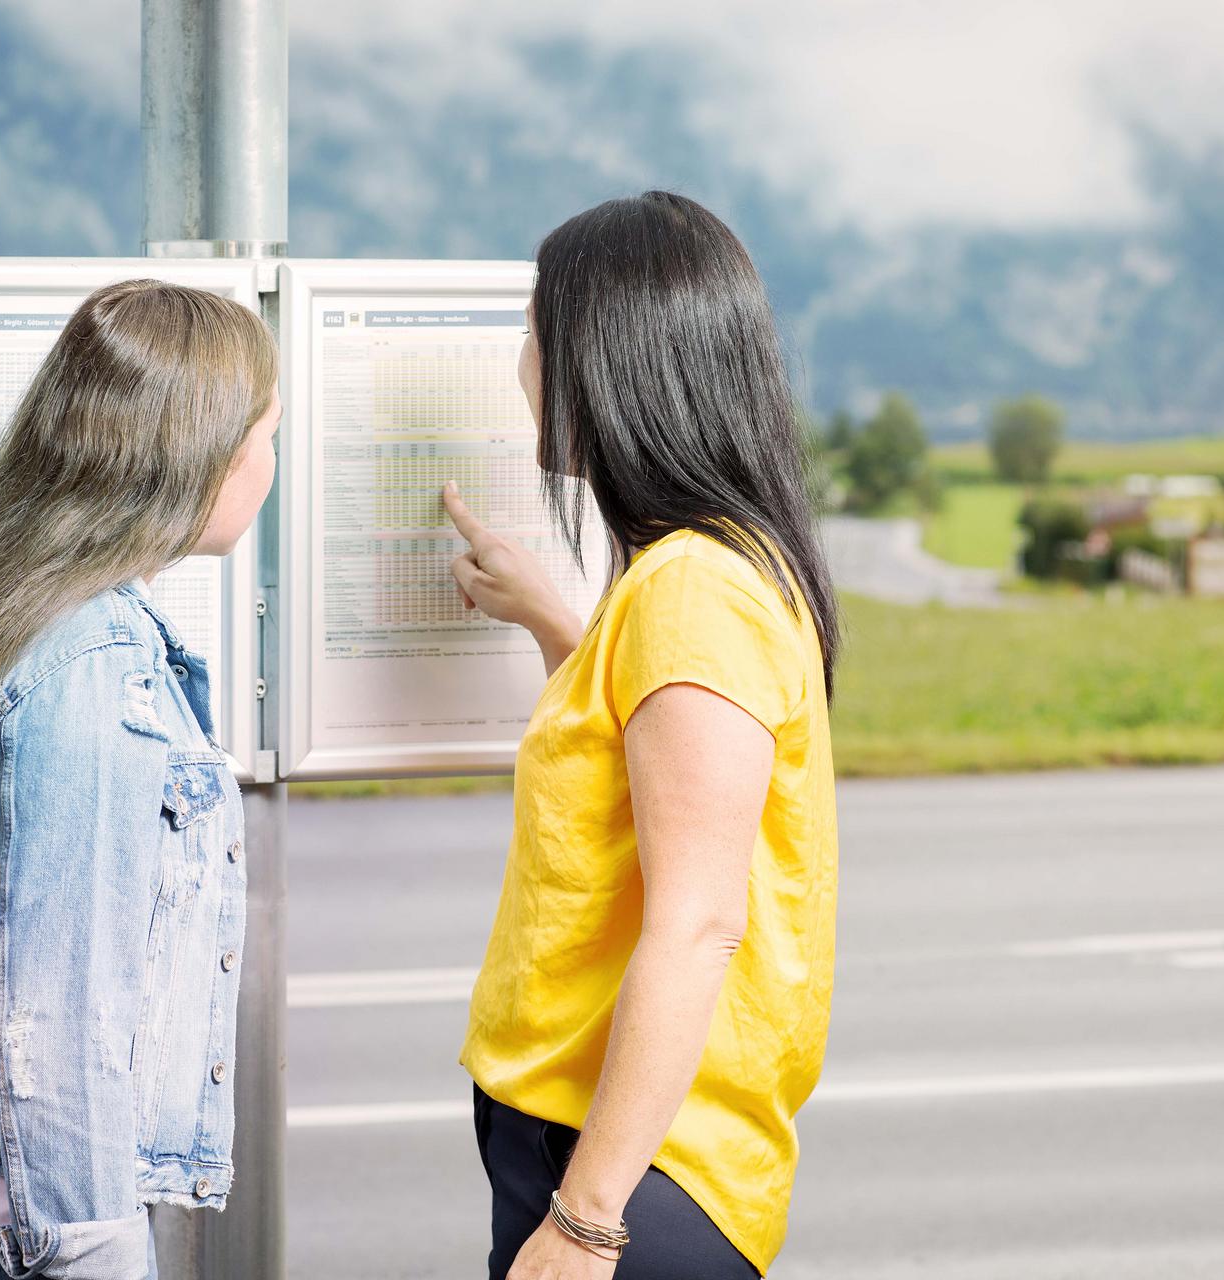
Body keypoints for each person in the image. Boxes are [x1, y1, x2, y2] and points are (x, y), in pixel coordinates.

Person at [0, 279, 280, 1280]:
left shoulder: (0, 598)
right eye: (266, 434)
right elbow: (65, 1004)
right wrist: (92, 1245)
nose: (270, 465)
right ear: (203, 452)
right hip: (8, 1214)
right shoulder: (92, 660)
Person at [445, 191, 843, 1280]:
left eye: (536, 333)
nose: (523, 364)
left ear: (602, 362)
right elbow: (638, 770)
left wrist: (584, 1221)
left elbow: (699, 920)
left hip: (633, 1173)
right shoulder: (695, 573)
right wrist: (553, 621)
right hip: (617, 1149)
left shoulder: (692, 592)